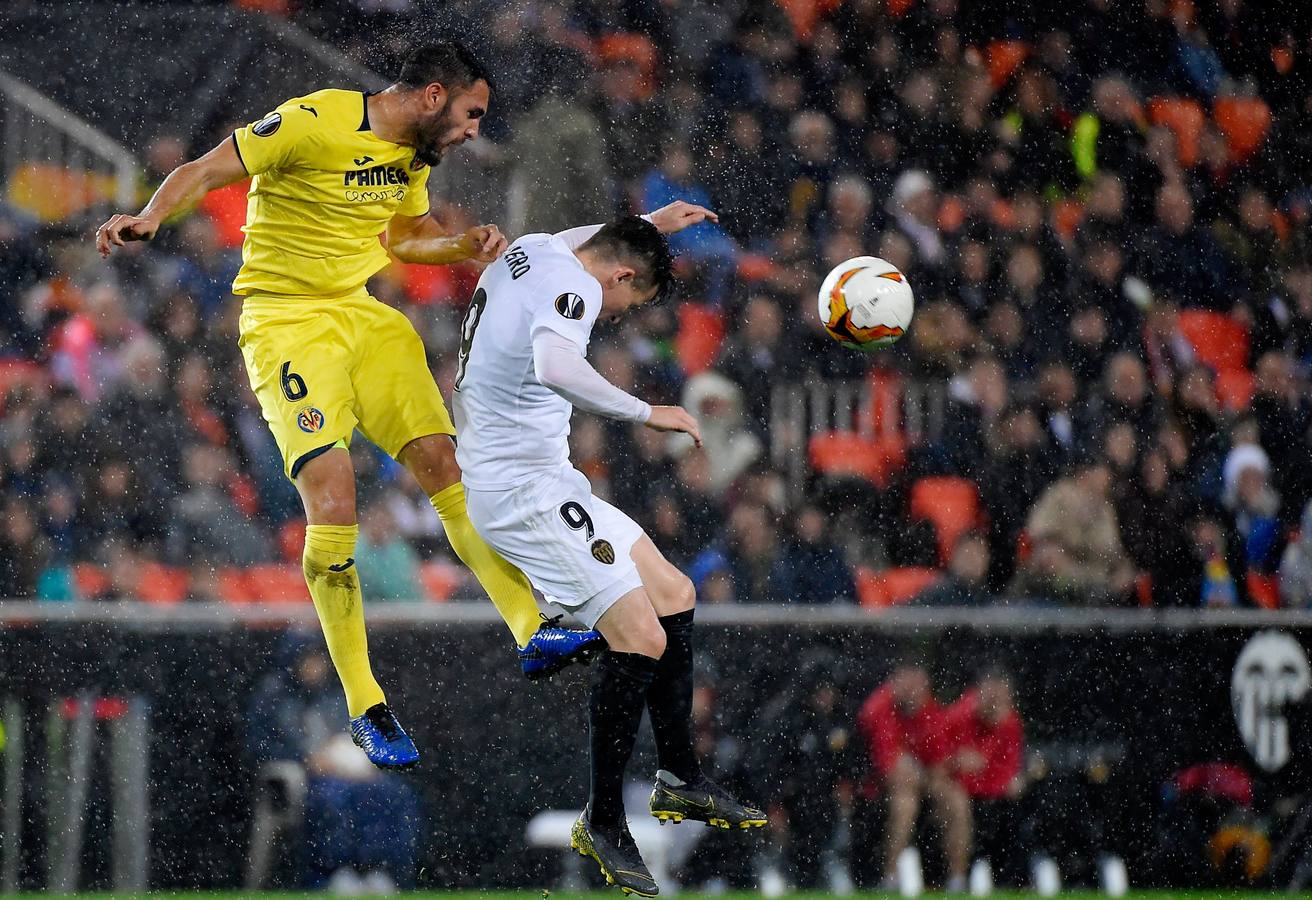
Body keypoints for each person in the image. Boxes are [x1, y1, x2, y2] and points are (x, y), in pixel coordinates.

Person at [95, 41, 601, 769]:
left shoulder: (412, 159)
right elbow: (206, 169)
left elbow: (402, 235)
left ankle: (531, 628)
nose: (473, 131)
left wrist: (463, 245)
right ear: (433, 95)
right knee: (333, 502)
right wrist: (150, 215)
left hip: (363, 317)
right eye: (470, 114)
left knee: (447, 468)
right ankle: (366, 704)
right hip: (286, 321)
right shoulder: (314, 120)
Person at [453, 202, 765, 896]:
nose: (615, 312)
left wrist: (654, 222)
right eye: (629, 299)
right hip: (523, 494)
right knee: (642, 638)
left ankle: (680, 777)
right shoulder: (578, 287)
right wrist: (647, 411)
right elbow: (557, 365)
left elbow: (588, 240)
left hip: (544, 479)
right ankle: (604, 821)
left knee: (675, 593)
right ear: (619, 275)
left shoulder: (538, 246)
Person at [857, 662, 970, 892]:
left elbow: (940, 763)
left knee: (956, 801)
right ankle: (890, 875)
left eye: (919, 685)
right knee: (905, 806)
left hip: (921, 781)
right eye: (908, 684)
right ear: (895, 683)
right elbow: (889, 769)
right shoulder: (880, 708)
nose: (914, 691)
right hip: (879, 787)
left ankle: (957, 878)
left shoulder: (930, 711)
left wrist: (927, 774)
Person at [943, 669, 1026, 885]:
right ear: (979, 695)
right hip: (957, 790)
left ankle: (1012, 881)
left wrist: (983, 772)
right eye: (992, 699)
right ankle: (957, 878)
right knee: (958, 806)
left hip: (989, 795)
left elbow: (1010, 774)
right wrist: (963, 766)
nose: (997, 706)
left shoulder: (1011, 723)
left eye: (1003, 700)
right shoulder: (957, 717)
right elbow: (942, 764)